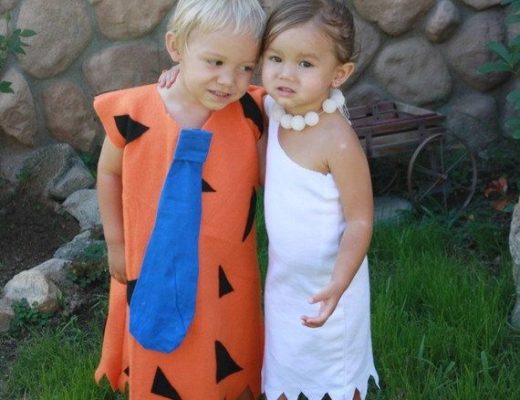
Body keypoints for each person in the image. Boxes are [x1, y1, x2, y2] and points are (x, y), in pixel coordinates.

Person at [94, 0, 266, 399]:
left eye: (245, 67)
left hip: (225, 265)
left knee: (221, 324)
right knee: (156, 317)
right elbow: (108, 172)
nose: (229, 80)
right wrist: (116, 244)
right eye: (214, 62)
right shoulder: (136, 112)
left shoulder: (252, 112)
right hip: (148, 254)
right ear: (176, 47)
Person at [260, 1, 378, 399]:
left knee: (335, 374)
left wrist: (340, 282)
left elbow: (360, 220)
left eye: (305, 64)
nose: (285, 73)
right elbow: (219, 83)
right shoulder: (273, 109)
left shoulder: (337, 140)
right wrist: (177, 71)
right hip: (284, 282)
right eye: (275, 58)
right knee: (285, 366)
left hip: (332, 285)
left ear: (338, 74)